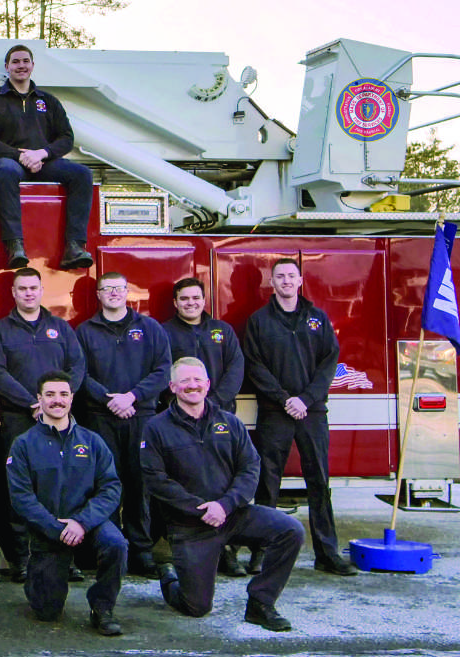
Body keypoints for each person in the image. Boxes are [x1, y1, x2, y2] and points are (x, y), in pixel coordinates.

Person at [141, 358, 306, 632]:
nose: (192, 385)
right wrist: (201, 509)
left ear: (207, 385)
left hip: (233, 515)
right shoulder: (156, 428)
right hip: (189, 526)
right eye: (184, 380)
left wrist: (225, 505)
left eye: (197, 380)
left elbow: (250, 468)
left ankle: (261, 603)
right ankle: (169, 578)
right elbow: (155, 480)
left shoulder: (230, 422)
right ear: (172, 387)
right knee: (196, 607)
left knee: (291, 530)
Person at [242, 258, 357, 576]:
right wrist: (284, 399)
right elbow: (254, 365)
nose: (286, 281)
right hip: (274, 412)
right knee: (267, 483)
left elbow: (329, 363)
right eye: (280, 276)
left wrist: (305, 399)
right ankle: (261, 553)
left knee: (319, 481)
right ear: (272, 282)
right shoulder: (259, 321)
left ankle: (327, 554)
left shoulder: (318, 318)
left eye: (291, 276)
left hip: (312, 411)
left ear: (300, 280)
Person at [0, 267, 86, 581]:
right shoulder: (1, 330)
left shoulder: (61, 328)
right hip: (19, 419)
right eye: (22, 288)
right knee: (20, 487)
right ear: (13, 293)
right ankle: (23, 560)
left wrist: (55, 403)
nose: (28, 293)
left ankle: (64, 558)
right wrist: (32, 402)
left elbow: (77, 366)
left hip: (58, 421)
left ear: (41, 290)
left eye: (33, 288)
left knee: (61, 486)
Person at [7, 371, 126, 636]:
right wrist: (55, 528)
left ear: (72, 398)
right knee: (46, 612)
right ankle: (39, 578)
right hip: (49, 529)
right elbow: (21, 497)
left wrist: (82, 523)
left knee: (116, 544)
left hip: (89, 523)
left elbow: (111, 487)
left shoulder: (92, 441)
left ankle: (103, 607)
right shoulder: (23, 444)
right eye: (50, 394)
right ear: (39, 399)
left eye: (63, 394)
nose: (57, 400)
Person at [75, 272, 171, 578]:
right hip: (100, 418)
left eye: (119, 288)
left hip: (142, 417)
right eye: (107, 289)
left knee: (139, 485)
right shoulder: (85, 332)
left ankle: (141, 551)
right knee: (104, 484)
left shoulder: (150, 328)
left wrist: (132, 396)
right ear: (99, 295)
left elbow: (163, 370)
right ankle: (110, 550)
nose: (113, 293)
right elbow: (79, 374)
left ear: (128, 291)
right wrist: (108, 399)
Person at [0, 44, 94, 270]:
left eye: (25, 61)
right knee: (6, 171)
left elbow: (66, 138)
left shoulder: (49, 101)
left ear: (32, 65)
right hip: (8, 162)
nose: (21, 66)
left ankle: (74, 247)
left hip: (43, 162)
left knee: (82, 174)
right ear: (7, 67)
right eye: (16, 62)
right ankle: (14, 246)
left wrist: (42, 153)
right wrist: (18, 155)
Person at [163, 277, 248, 577]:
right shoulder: (164, 332)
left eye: (195, 298)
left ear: (204, 300)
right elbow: (161, 370)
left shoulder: (222, 331)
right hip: (180, 422)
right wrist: (184, 405)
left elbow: (236, 368)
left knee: (223, 483)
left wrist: (213, 404)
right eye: (184, 298)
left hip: (220, 419)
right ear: (176, 302)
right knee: (188, 483)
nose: (191, 303)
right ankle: (188, 548)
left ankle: (228, 551)